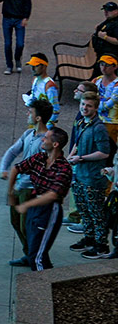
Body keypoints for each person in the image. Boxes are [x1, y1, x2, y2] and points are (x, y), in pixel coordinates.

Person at [7, 126, 73, 271]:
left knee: (37, 255)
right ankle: (48, 280)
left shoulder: (64, 168)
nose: (42, 139)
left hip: (49, 211)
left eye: (46, 138)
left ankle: (40, 287)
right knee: (34, 249)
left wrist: (26, 205)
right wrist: (10, 193)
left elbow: (52, 195)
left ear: (55, 144)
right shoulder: (40, 158)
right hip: (34, 206)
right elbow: (16, 168)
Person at [0, 98, 55, 260]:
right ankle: (29, 253)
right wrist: (3, 168)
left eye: (30, 112)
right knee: (15, 222)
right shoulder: (28, 134)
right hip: (19, 186)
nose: (27, 114)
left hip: (31, 189)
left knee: (26, 226)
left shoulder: (47, 141)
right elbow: (12, 151)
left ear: (38, 118)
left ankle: (36, 256)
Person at [66, 93, 112, 259]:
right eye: (83, 104)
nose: (84, 108)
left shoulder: (99, 128)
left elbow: (104, 153)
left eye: (89, 106)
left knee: (96, 212)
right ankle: (89, 238)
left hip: (93, 178)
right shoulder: (81, 123)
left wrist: (82, 158)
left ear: (96, 108)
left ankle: (101, 246)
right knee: (84, 211)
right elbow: (77, 144)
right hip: (79, 175)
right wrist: (71, 156)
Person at [0, 0, 32, 74]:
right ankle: (9, 65)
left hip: (19, 19)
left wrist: (26, 17)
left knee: (20, 43)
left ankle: (17, 59)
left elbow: (28, 4)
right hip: (7, 18)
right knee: (7, 44)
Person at [22, 54, 60, 123]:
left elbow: (55, 110)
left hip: (44, 123)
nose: (32, 69)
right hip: (35, 120)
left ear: (44, 67)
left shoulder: (49, 86)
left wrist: (48, 126)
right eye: (31, 66)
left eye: (36, 66)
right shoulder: (35, 79)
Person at [92, 54, 118, 144]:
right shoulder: (97, 80)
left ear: (115, 67)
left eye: (107, 65)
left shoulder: (117, 84)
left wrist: (94, 103)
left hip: (110, 123)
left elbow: (107, 106)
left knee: (109, 148)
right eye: (102, 64)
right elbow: (88, 97)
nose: (103, 68)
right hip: (95, 119)